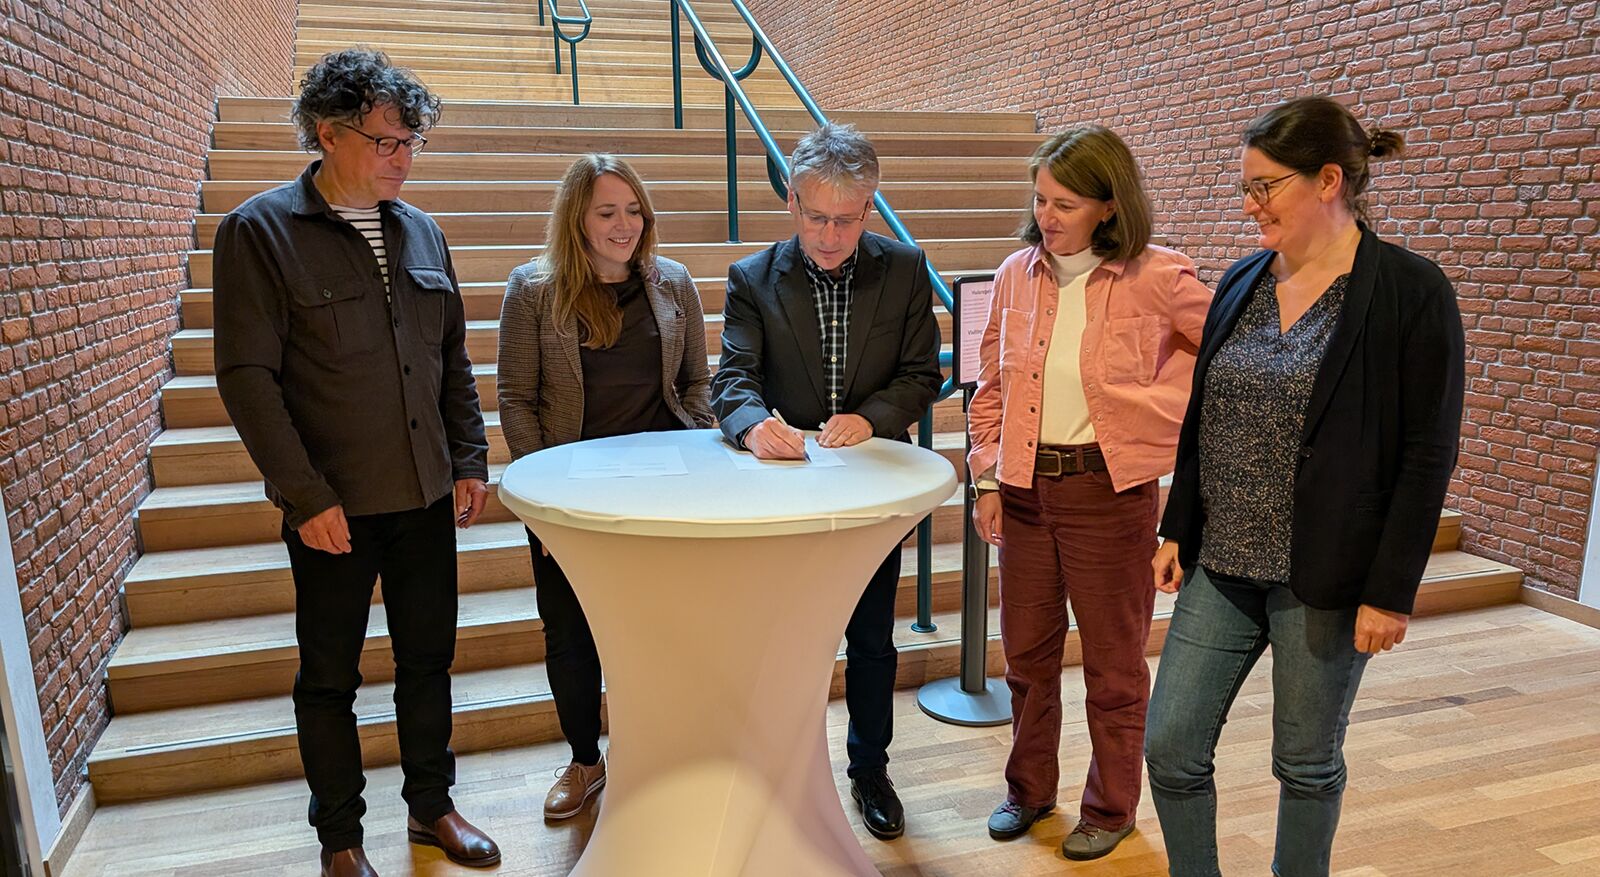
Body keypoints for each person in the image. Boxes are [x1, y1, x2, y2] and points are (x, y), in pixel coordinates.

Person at [1144, 96, 1465, 877]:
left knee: (1306, 762)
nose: (1250, 205)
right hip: (1224, 559)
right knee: (1172, 744)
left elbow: (1428, 455)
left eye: (1264, 187)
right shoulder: (1244, 278)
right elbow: (1205, 411)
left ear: (1328, 180)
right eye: (1246, 188)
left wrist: (1391, 591)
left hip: (1326, 573)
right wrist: (1178, 524)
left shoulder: (1411, 292)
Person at [212, 49, 501, 877]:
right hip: (332, 506)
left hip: (423, 494)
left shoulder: (421, 230)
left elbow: (450, 356)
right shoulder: (260, 232)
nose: (403, 157)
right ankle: (341, 840)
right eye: (387, 141)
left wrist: (469, 457)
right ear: (328, 133)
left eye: (411, 141)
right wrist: (304, 496)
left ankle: (431, 808)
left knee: (427, 661)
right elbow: (246, 378)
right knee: (329, 677)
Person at [965, 125, 1212, 860]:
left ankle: (1110, 807)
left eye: (1065, 202)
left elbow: (1230, 354)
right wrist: (985, 476)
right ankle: (1029, 790)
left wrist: (1156, 410)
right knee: (1027, 659)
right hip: (1025, 491)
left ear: (1109, 205)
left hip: (1111, 496)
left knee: (1112, 666)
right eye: (1040, 198)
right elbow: (991, 386)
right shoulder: (1016, 273)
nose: (1047, 215)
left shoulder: (1160, 276)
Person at [710, 122, 942, 841]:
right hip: (787, 488)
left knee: (871, 640)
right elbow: (733, 378)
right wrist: (752, 425)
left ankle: (870, 768)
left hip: (870, 489)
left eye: (846, 218)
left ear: (869, 209)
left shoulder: (903, 268)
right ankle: (782, 769)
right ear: (792, 204)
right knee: (786, 644)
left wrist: (872, 418)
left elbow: (921, 374)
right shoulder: (753, 277)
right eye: (816, 216)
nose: (830, 233)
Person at [497, 153, 714, 820]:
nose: (624, 224)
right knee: (570, 632)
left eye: (633, 209)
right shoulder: (534, 290)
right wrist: (544, 497)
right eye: (606, 212)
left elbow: (699, 382)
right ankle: (586, 761)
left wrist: (700, 448)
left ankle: (656, 750)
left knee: (662, 628)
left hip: (663, 490)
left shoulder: (672, 281)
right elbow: (516, 397)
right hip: (573, 495)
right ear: (577, 219)